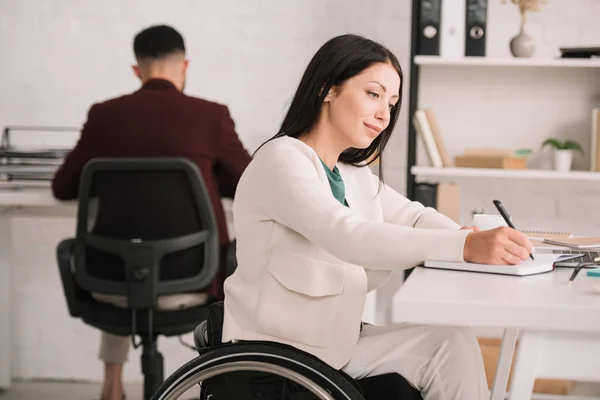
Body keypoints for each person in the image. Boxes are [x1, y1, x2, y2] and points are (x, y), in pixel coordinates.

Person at [221, 34, 533, 400]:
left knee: (453, 340)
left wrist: (472, 239)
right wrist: (464, 246)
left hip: (334, 345)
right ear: (327, 89)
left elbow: (414, 217)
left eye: (392, 101)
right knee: (447, 347)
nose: (385, 114)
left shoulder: (352, 174)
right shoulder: (282, 161)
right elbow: (348, 235)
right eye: (373, 94)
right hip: (281, 357)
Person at [52, 25, 251, 400]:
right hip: (195, 281)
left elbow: (62, 187)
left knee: (123, 249)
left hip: (109, 286)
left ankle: (112, 386)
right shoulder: (210, 115)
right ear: (185, 65)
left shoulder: (104, 115)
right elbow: (249, 183)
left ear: (136, 70)